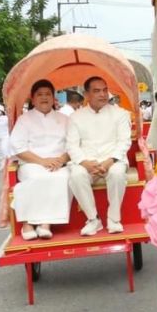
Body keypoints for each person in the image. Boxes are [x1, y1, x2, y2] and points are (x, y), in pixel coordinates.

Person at [67, 76, 132, 236]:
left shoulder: (120, 114)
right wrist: (85, 163)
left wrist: (109, 162)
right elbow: (72, 145)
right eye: (96, 91)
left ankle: (114, 219)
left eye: (104, 90)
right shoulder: (76, 116)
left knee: (117, 173)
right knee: (76, 175)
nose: (102, 94)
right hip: (86, 162)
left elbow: (124, 142)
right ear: (86, 94)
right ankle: (93, 219)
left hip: (113, 160)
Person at [9, 79, 72, 240]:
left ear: (53, 97)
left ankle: (46, 223)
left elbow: (73, 145)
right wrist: (42, 161)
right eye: (40, 94)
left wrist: (60, 160)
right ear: (33, 98)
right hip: (32, 163)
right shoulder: (24, 119)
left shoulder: (64, 119)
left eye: (48, 94)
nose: (44, 98)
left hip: (60, 164)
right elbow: (18, 147)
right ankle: (27, 223)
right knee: (38, 177)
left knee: (64, 177)